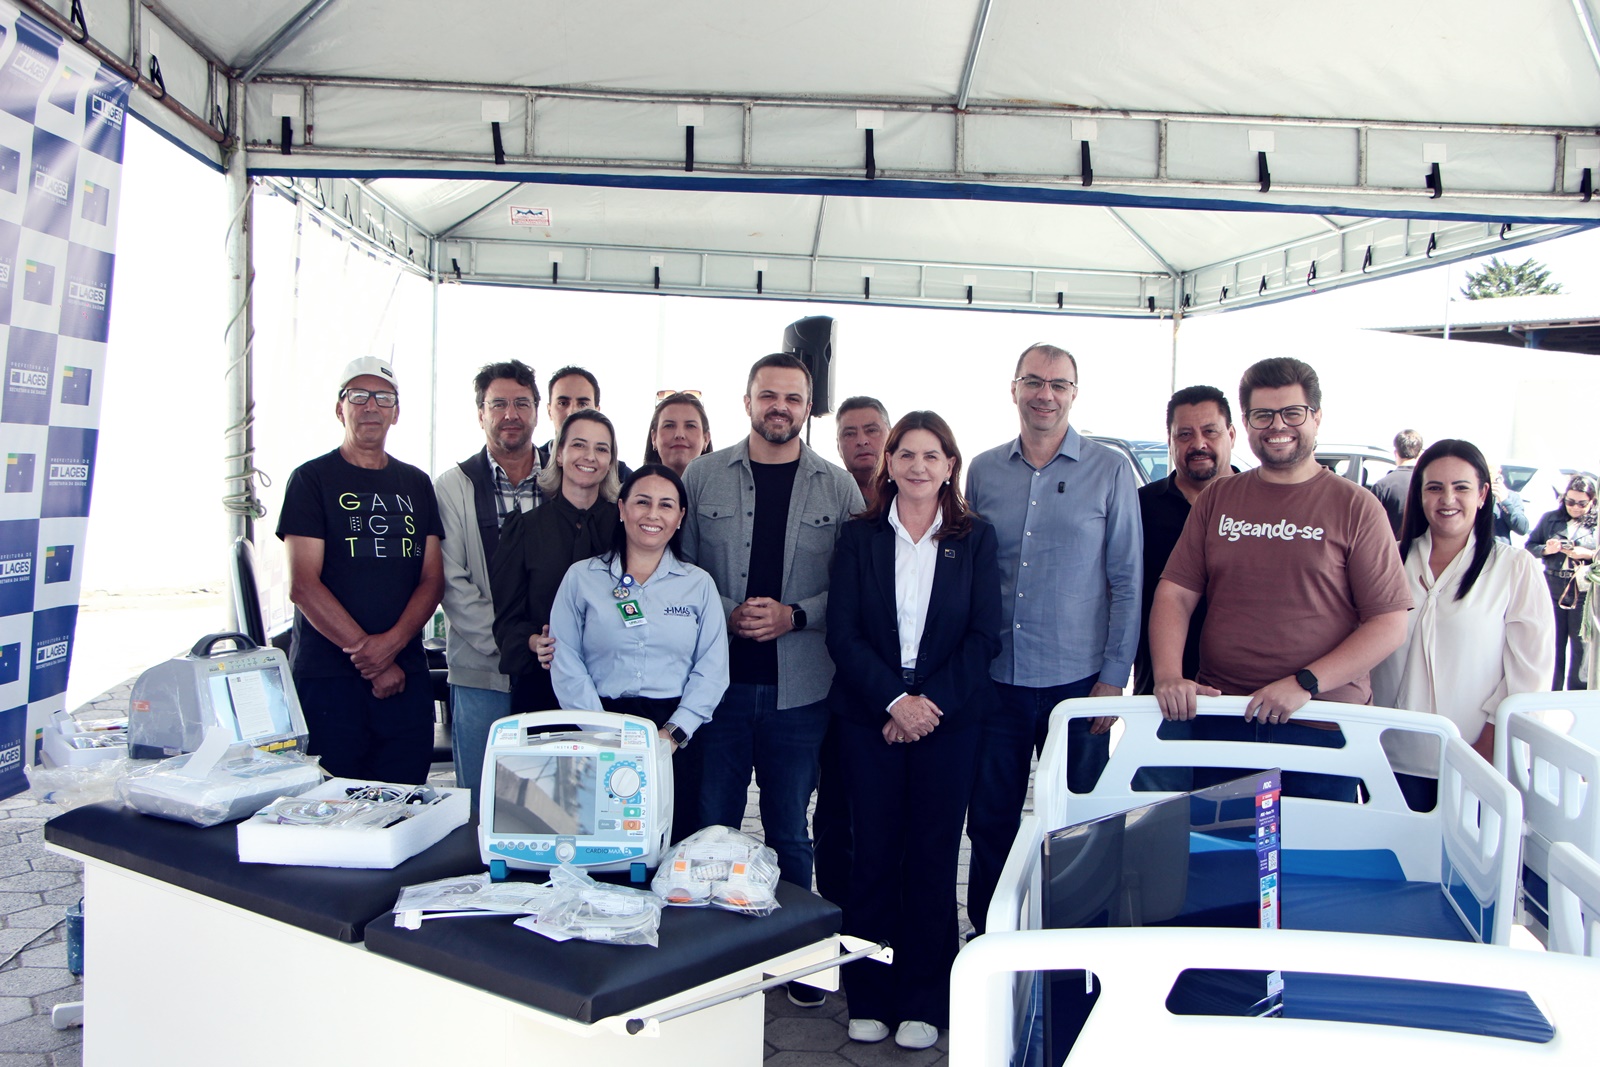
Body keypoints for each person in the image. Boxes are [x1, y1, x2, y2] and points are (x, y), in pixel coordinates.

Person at [680, 352, 863, 1009]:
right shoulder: (702, 476)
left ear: (808, 407)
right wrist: (724, 610)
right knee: (713, 825)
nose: (779, 407)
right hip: (718, 688)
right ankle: (712, 959)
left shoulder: (838, 487)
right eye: (768, 395)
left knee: (790, 828)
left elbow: (856, 588)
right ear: (747, 401)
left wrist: (795, 614)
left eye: (792, 397)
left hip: (801, 691)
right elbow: (680, 570)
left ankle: (798, 958)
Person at [1151, 357, 1412, 798]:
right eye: (1263, 415)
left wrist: (1304, 683)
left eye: (1292, 413)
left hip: (1322, 723)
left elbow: (1389, 624)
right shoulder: (1218, 498)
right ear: (1246, 424)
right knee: (1222, 841)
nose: (1277, 426)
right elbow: (1176, 593)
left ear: (1317, 417)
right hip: (1226, 717)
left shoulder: (1357, 506)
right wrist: (1168, 676)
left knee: (1316, 843)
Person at [826, 411, 999, 1050]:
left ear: (950, 465)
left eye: (932, 455)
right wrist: (896, 702)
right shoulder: (859, 536)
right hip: (870, 716)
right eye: (906, 454)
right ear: (889, 463)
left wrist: (927, 706)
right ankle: (869, 994)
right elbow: (842, 633)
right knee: (871, 855)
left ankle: (925, 999)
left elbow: (984, 636)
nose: (918, 466)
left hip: (948, 722)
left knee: (931, 857)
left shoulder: (975, 538)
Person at [963, 342, 1141, 937]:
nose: (1046, 394)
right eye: (1034, 381)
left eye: (1058, 384)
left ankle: (1076, 941)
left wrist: (1114, 677)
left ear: (1073, 394)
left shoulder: (1110, 469)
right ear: (1013, 389)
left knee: (1081, 822)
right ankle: (991, 935)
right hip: (996, 683)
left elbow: (1127, 578)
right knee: (990, 821)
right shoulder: (983, 470)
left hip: (1079, 685)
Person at [276, 357, 444, 783]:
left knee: (406, 803)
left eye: (383, 397)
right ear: (340, 408)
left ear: (396, 412)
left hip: (406, 679)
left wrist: (390, 648)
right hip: (328, 681)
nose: (371, 406)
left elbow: (432, 580)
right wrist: (373, 660)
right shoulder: (311, 480)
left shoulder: (416, 484)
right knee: (332, 807)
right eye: (359, 396)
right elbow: (303, 585)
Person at [547, 464, 728, 842]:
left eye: (666, 505)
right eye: (642, 502)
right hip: (596, 727)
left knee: (670, 845)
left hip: (673, 735)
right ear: (622, 508)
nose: (653, 514)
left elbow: (712, 669)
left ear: (680, 518)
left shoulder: (699, 585)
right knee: (599, 846)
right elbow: (565, 659)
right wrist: (603, 734)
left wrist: (672, 735)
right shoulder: (582, 578)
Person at [1372, 440, 1553, 775]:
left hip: (1475, 760)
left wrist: (1485, 749)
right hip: (1386, 758)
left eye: (1461, 488)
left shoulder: (1513, 567)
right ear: (1420, 494)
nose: (1447, 499)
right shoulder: (1388, 560)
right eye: (1435, 488)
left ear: (1482, 494)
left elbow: (1530, 673)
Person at [434, 360, 542, 796]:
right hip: (482, 671)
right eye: (498, 404)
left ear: (537, 411)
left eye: (521, 403)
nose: (510, 414)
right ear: (480, 414)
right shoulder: (452, 486)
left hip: (553, 670)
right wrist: (514, 643)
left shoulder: (564, 479)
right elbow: (451, 583)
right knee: (482, 803)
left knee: (549, 803)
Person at [491, 409, 621, 713]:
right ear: (559, 454)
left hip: (614, 690)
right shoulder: (524, 529)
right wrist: (533, 641)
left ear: (610, 462)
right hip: (542, 687)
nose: (590, 456)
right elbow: (506, 622)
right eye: (579, 445)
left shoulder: (625, 528)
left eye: (601, 449)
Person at [1133, 384, 1237, 696]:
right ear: (1170, 441)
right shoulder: (1138, 507)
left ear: (1231, 435)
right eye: (1185, 434)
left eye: (1210, 431)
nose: (1198, 444)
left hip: (1243, 692)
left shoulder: (1262, 507)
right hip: (1161, 688)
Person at [1527, 473, 1598, 690]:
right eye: (1570, 501)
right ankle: (1551, 690)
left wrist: (1586, 554)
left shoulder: (1596, 525)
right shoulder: (1550, 519)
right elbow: (1530, 546)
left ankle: (1576, 693)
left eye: (1581, 503)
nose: (1575, 507)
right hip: (1552, 585)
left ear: (1592, 501)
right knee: (1552, 643)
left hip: (1582, 589)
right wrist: (1546, 550)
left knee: (1581, 645)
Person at [834, 396, 890, 506]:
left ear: (891, 437)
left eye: (871, 430)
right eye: (850, 434)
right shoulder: (825, 494)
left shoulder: (912, 490)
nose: (861, 441)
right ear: (838, 446)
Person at [643, 390, 712, 477]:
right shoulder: (633, 485)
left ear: (706, 438)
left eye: (690, 426)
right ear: (654, 437)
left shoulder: (725, 484)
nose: (679, 435)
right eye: (669, 426)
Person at [1370, 429, 1423, 537]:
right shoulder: (1429, 485)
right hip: (1423, 546)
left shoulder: (1382, 486)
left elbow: (1370, 525)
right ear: (1420, 453)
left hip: (1390, 545)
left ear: (1396, 452)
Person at [1491, 469, 1530, 545]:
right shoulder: (1471, 494)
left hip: (1498, 549)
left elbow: (1522, 529)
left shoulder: (1510, 496)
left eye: (1489, 472)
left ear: (1498, 472)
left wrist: (1504, 501)